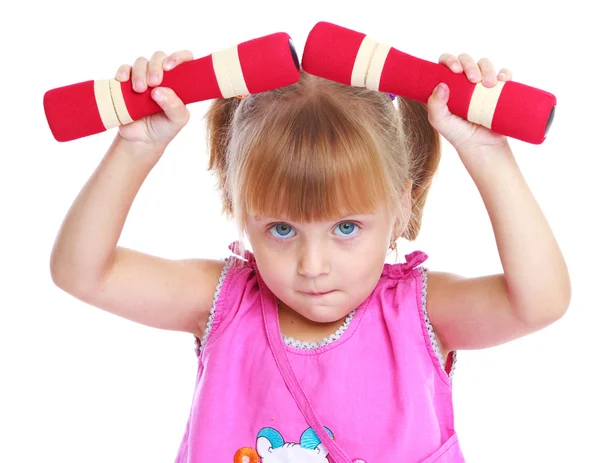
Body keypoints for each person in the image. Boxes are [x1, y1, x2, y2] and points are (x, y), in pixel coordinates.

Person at [49, 48, 571, 462]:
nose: (312, 265)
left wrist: (487, 153)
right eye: (280, 228)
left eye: (346, 227)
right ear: (239, 208)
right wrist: (136, 147)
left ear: (399, 209)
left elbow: (540, 302)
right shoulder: (223, 303)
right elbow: (82, 272)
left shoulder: (420, 314)